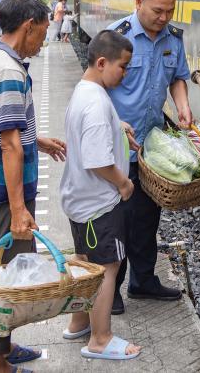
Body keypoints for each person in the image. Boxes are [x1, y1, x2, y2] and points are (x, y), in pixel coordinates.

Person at [0, 0, 67, 373]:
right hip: (4, 194)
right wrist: (20, 210)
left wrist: (34, 138)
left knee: (7, 272)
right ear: (28, 26)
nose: (45, 37)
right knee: (1, 279)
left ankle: (3, 349)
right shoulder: (6, 71)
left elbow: (1, 126)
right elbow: (8, 145)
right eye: (43, 30)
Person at [107, 0, 192, 313]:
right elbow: (94, 87)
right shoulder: (117, 37)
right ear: (138, 2)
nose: (164, 17)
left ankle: (143, 281)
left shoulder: (173, 39)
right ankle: (109, 289)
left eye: (170, 11)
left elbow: (178, 78)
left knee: (146, 218)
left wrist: (183, 105)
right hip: (117, 147)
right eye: (158, 10)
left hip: (152, 147)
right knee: (117, 223)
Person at [61, 31, 142, 361]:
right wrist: (123, 183)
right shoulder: (96, 103)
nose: (125, 73)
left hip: (80, 200)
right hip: (99, 203)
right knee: (107, 267)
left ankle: (79, 321)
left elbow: (91, 131)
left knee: (84, 264)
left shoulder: (85, 91)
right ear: (102, 62)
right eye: (123, 67)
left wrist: (117, 126)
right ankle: (100, 338)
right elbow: (97, 160)